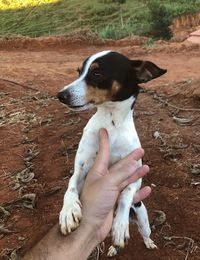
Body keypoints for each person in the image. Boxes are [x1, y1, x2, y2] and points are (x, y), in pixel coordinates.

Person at [23, 129, 151, 260]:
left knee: (146, 230)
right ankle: (117, 245)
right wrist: (85, 218)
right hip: (104, 207)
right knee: (116, 235)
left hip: (131, 203)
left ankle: (147, 239)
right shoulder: (92, 133)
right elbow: (77, 177)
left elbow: (135, 181)